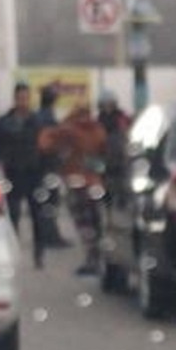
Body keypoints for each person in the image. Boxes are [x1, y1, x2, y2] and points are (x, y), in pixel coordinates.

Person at [39, 103, 109, 276]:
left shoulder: (69, 130)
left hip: (76, 182)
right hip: (95, 182)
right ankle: (98, 256)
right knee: (96, 221)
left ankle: (91, 258)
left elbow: (45, 143)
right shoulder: (98, 130)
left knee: (82, 221)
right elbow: (104, 152)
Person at [0, 82, 48, 269]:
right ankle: (13, 254)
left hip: (34, 173)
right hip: (13, 173)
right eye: (20, 98)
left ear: (29, 98)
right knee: (12, 215)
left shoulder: (37, 121)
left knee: (37, 216)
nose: (23, 101)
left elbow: (46, 148)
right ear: (15, 99)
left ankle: (39, 254)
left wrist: (47, 171)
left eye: (25, 98)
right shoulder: (5, 121)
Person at [34, 84, 70, 248]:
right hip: (48, 164)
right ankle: (50, 236)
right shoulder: (47, 118)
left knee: (45, 200)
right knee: (50, 201)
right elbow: (51, 143)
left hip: (41, 165)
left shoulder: (38, 116)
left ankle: (46, 234)